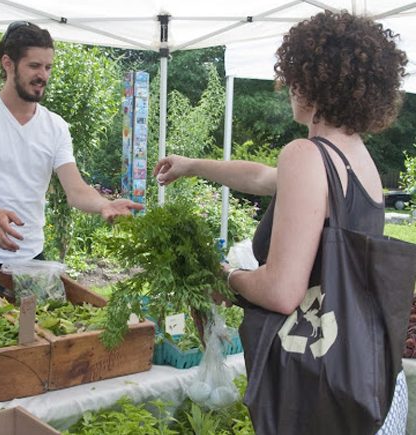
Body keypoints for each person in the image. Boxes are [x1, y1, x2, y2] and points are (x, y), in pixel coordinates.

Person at [154, 11, 408, 434]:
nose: (288, 86)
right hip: (370, 379)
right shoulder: (356, 158)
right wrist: (193, 165)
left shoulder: (306, 155)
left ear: (315, 79)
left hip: (325, 392)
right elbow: (261, 177)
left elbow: (281, 292)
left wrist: (226, 275)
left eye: (293, 75)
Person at [0, 22, 142, 273]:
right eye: (34, 66)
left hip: (32, 261)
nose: (43, 76)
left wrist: (104, 204)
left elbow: (76, 190)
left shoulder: (55, 126)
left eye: (48, 67)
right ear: (8, 63)